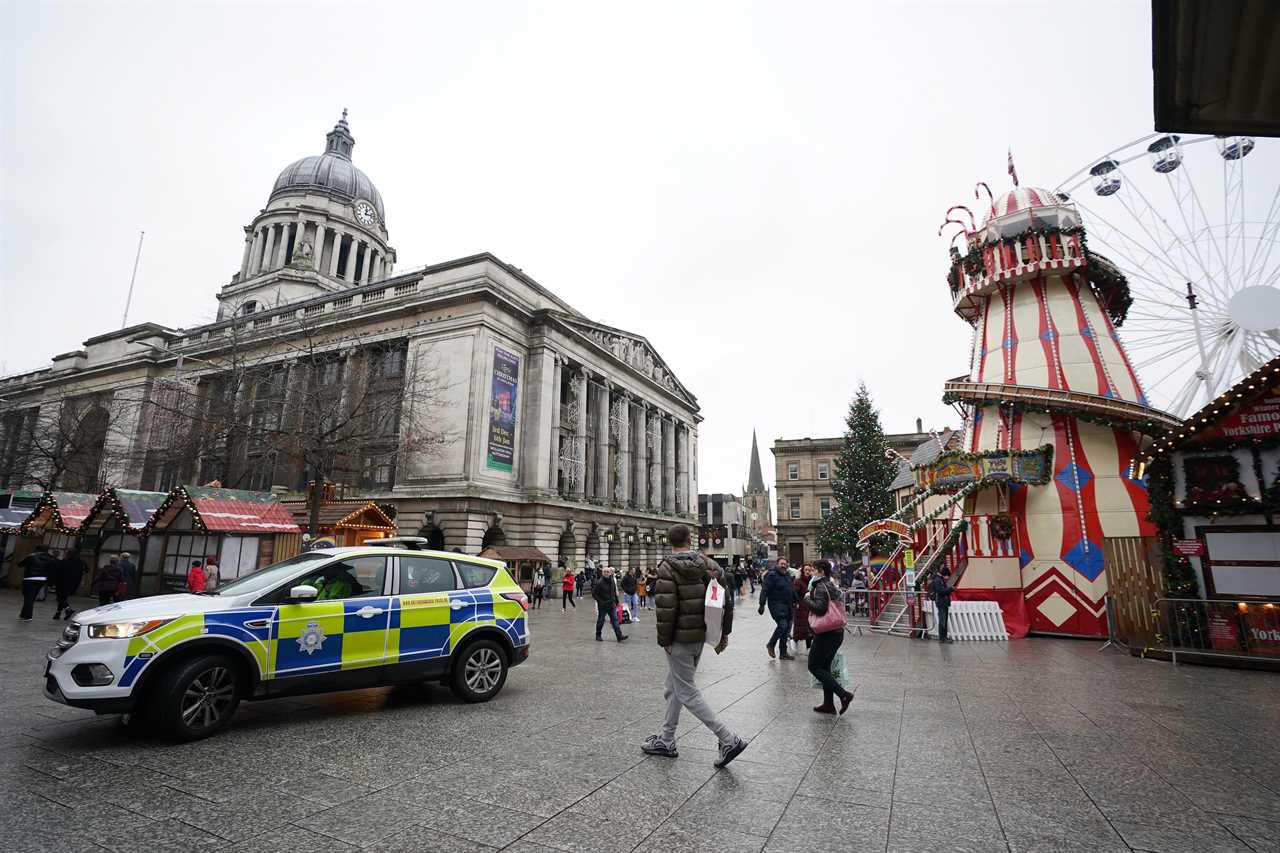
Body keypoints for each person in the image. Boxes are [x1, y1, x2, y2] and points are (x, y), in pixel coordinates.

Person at [643, 523, 747, 769]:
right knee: (674, 686)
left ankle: (727, 738)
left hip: (679, 637)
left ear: (670, 541)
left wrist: (665, 640)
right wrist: (724, 633)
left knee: (686, 690)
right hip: (700, 635)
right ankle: (666, 739)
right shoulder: (710, 566)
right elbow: (726, 600)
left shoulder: (667, 568)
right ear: (691, 540)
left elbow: (666, 609)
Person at [805, 560, 854, 715]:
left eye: (814, 570)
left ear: (821, 571)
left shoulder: (820, 587)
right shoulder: (831, 585)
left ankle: (844, 695)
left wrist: (807, 599)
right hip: (836, 631)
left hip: (826, 633)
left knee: (814, 666)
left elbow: (819, 609)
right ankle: (828, 704)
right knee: (825, 667)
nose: (812, 573)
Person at [758, 559, 796, 660]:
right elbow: (765, 590)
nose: (783, 565)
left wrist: (796, 600)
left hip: (788, 605)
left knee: (786, 629)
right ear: (777, 564)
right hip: (776, 605)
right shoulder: (772, 575)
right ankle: (771, 644)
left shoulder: (787, 575)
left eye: (785, 564)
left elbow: (791, 589)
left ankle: (783, 653)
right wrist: (761, 604)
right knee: (782, 625)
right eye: (781, 564)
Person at [17, 545, 55, 621]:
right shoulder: (50, 558)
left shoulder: (31, 556)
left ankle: (28, 616)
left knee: (28, 598)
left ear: (36, 549)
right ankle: (23, 614)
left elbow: (20, 564)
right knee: (32, 597)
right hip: (42, 579)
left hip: (29, 578)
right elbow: (52, 569)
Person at [592, 566, 628, 642]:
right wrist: (600, 602)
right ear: (602, 573)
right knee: (601, 620)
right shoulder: (599, 582)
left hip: (611, 604)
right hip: (603, 606)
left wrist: (617, 601)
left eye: (607, 572)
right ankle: (598, 635)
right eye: (605, 572)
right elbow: (594, 594)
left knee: (615, 620)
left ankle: (619, 636)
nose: (606, 573)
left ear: (610, 573)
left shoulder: (611, 580)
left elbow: (614, 591)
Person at [53, 548, 86, 621]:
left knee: (60, 598)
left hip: (62, 582)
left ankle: (68, 609)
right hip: (74, 583)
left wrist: (54, 582)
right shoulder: (81, 562)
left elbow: (58, 571)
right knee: (63, 598)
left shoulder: (64, 561)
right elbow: (86, 570)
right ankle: (57, 614)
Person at [929, 568, 956, 643]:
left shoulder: (939, 579)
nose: (948, 577)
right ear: (945, 574)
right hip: (941, 602)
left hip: (943, 602)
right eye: (948, 576)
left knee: (944, 620)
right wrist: (950, 589)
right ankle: (942, 638)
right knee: (942, 621)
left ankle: (944, 637)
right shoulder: (938, 580)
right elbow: (940, 591)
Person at [793, 564, 814, 653]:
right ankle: (794, 641)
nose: (808, 572)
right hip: (800, 607)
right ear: (802, 571)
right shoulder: (798, 581)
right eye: (806, 570)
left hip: (809, 607)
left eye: (809, 570)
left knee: (809, 627)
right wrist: (797, 602)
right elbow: (795, 593)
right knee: (800, 627)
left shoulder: (812, 582)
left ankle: (808, 647)